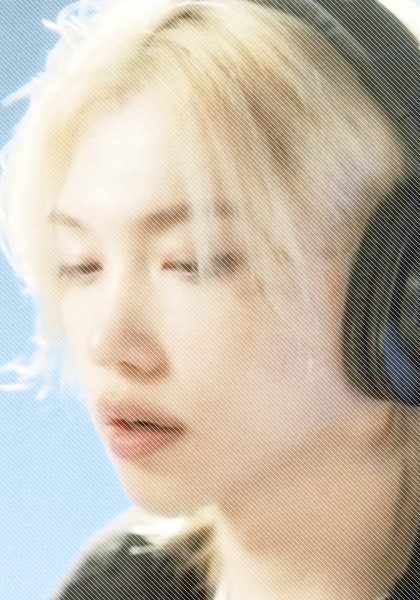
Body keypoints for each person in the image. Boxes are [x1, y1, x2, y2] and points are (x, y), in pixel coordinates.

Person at [1, 0, 420, 598]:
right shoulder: (118, 586)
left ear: (398, 293)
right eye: (81, 263)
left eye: (192, 262)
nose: (106, 342)